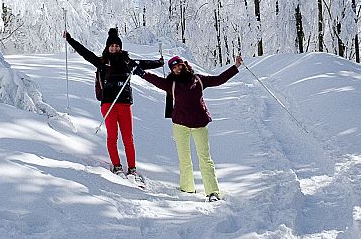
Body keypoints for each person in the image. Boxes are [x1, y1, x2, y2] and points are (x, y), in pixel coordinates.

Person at [137, 53, 242, 201]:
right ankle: (187, 189)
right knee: (184, 159)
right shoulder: (171, 84)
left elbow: (218, 79)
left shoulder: (198, 79)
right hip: (180, 125)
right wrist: (141, 73)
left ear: (184, 65)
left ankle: (212, 191)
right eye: (174, 67)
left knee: (205, 159)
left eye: (179, 65)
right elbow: (155, 80)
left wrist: (235, 67)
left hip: (200, 124)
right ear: (172, 71)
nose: (177, 69)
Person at [64, 28, 164, 178]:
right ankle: (116, 165)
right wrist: (70, 40)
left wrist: (160, 62)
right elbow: (85, 53)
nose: (114, 48)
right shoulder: (102, 62)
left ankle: (132, 168)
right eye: (112, 46)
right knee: (112, 136)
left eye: (117, 46)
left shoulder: (127, 62)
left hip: (125, 104)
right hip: (108, 105)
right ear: (107, 47)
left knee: (128, 137)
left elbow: (145, 63)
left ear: (120, 47)